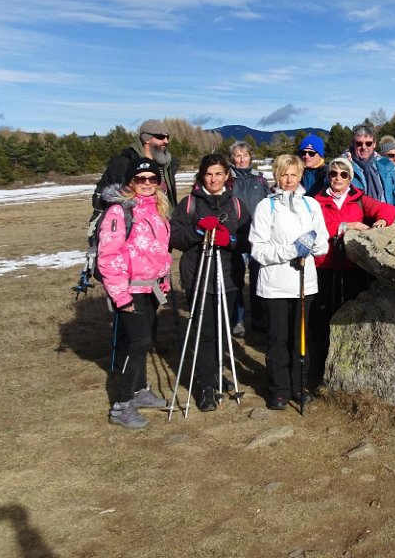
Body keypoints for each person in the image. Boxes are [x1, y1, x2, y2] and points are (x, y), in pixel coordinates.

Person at [170, 153, 251, 412]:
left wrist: (231, 241)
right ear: (201, 176)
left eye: (218, 173)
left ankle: (216, 372)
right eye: (208, 174)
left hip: (229, 277)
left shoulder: (236, 204)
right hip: (198, 276)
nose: (213, 179)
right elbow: (174, 237)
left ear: (227, 175)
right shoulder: (190, 203)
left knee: (222, 331)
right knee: (205, 333)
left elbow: (249, 238)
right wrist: (196, 231)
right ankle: (206, 385)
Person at [249, 154, 329, 409]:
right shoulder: (267, 206)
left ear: (300, 176)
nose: (289, 179)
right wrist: (292, 250)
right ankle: (279, 389)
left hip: (305, 284)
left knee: (300, 338)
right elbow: (258, 249)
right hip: (275, 286)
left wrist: (311, 246)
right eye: (284, 174)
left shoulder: (310, 204)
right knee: (278, 339)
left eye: (294, 174)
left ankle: (298, 385)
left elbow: (322, 241)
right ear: (277, 175)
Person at [98, 159, 173, 429]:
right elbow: (107, 257)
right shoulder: (119, 212)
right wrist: (121, 296)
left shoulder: (158, 208)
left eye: (152, 178)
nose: (146, 183)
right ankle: (122, 404)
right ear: (131, 182)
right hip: (130, 288)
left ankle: (140, 390)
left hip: (150, 287)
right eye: (140, 178)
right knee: (138, 343)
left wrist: (162, 279)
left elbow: (158, 249)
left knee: (144, 340)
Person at [311, 158, 395, 384]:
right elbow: (313, 229)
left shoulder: (359, 198)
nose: (338, 178)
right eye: (333, 173)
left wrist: (382, 220)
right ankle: (320, 369)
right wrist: (346, 226)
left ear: (350, 178)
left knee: (350, 317)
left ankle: (348, 369)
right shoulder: (316, 201)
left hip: (352, 266)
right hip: (324, 266)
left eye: (343, 174)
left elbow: (388, 209)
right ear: (328, 176)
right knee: (322, 318)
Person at [228, 141, 271, 336]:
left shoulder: (260, 180)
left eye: (245, 155)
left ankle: (258, 318)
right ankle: (237, 320)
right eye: (238, 155)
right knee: (236, 279)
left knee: (257, 279)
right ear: (232, 158)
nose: (242, 159)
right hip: (236, 235)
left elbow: (269, 204)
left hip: (257, 236)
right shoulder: (228, 180)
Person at [93, 119, 179, 212]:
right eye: (161, 137)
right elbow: (101, 198)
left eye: (167, 137)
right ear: (147, 139)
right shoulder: (124, 162)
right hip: (134, 218)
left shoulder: (167, 165)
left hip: (164, 218)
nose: (166, 141)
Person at [347, 125, 395, 213]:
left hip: (387, 216)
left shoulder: (386, 164)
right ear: (353, 144)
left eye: (368, 143)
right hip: (359, 218)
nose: (364, 147)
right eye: (359, 143)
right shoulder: (343, 167)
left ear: (374, 144)